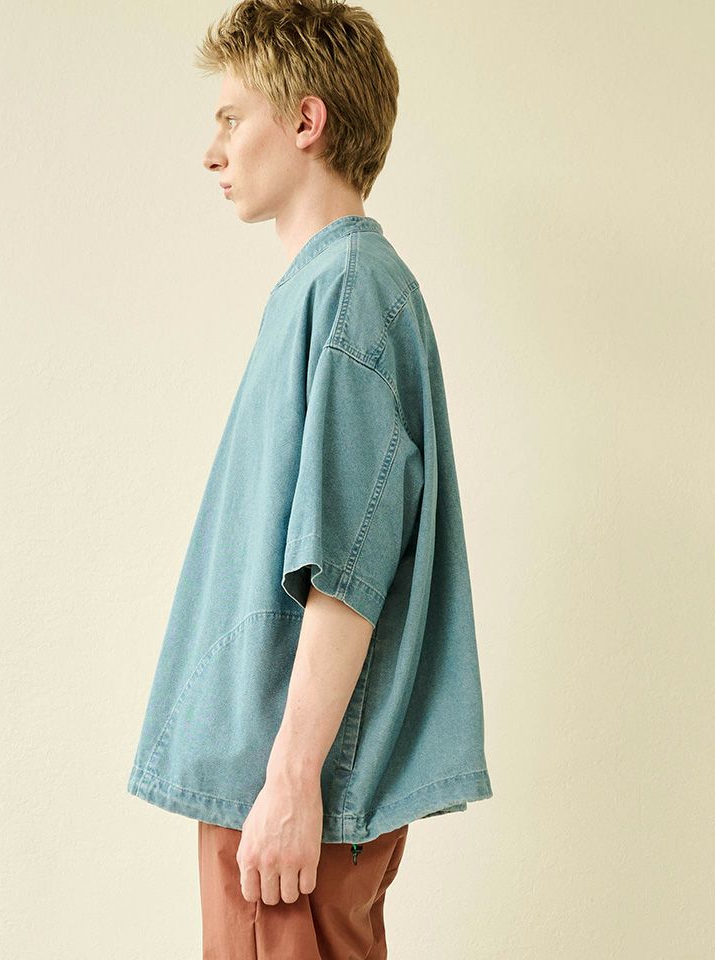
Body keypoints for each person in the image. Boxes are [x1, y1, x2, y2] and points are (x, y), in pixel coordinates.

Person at [126, 1, 493, 956]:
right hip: (273, 788)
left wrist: (291, 781)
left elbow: (347, 565)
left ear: (305, 120)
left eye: (231, 117)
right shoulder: (326, 290)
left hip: (287, 796)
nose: (212, 151)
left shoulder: (350, 291)